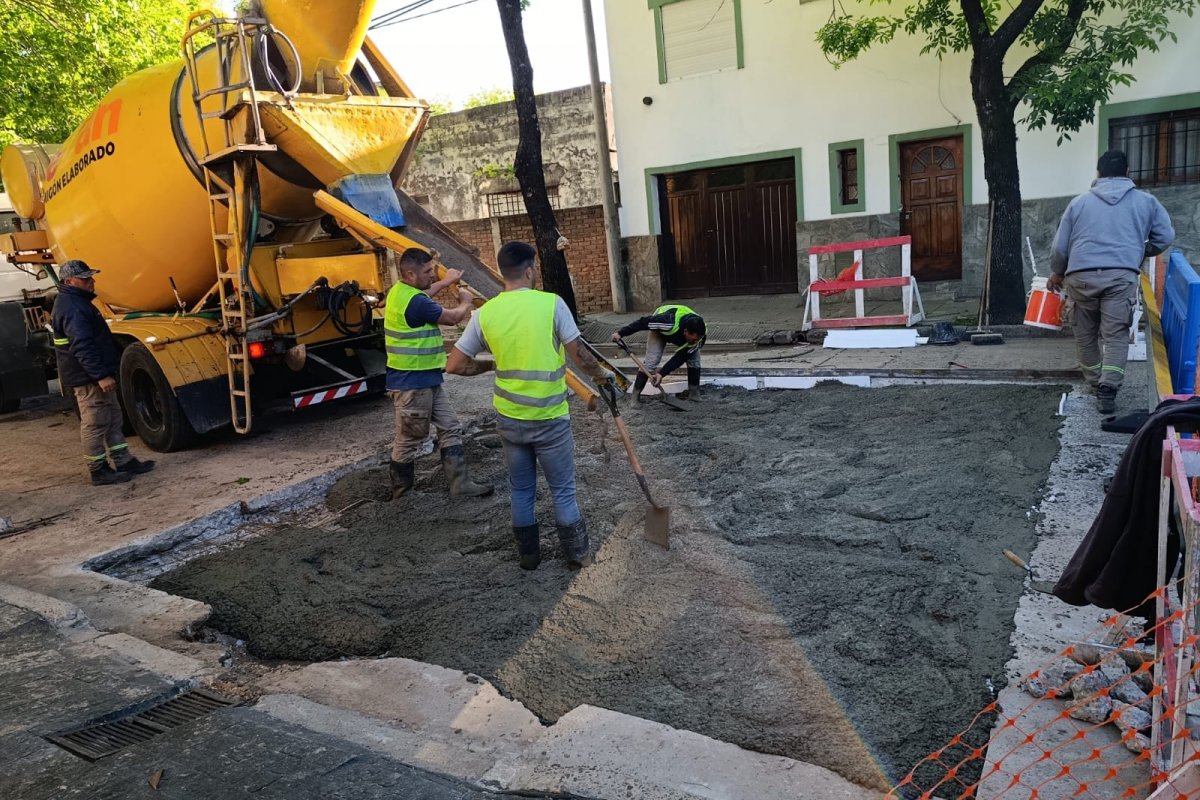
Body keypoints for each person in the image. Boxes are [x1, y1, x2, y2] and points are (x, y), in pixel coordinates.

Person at [446, 241, 611, 570]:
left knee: (521, 490)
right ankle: (577, 555)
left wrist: (489, 365)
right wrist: (603, 376)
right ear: (530, 269)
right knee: (562, 491)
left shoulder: (485, 312)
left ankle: (529, 557)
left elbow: (454, 365)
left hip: (510, 421)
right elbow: (580, 356)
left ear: (503, 272)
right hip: (549, 419)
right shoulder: (551, 304)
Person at [1049, 149, 1174, 415]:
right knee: (1116, 334)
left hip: (1081, 277)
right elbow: (1165, 237)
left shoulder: (1078, 204)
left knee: (1085, 335)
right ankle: (1109, 388)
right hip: (1120, 277)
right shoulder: (1147, 202)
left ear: (1098, 173)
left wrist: (1057, 272)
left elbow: (1060, 247)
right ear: (1128, 172)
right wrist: (1138, 251)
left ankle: (1096, 383)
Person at [384, 248, 493, 500]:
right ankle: (403, 495)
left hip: (426, 378)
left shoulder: (401, 292)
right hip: (412, 383)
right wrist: (465, 301)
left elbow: (426, 293)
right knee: (409, 439)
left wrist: (446, 282)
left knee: (450, 426)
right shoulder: (417, 302)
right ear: (411, 275)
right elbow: (452, 318)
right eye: (427, 271)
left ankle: (460, 485)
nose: (433, 275)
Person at [51, 259, 156, 485]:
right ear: (69, 282)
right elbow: (82, 346)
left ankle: (123, 460)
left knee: (113, 418)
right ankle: (98, 470)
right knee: (95, 423)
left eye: (91, 277)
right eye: (85, 278)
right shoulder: (73, 307)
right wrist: (100, 375)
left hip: (93, 375)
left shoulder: (77, 302)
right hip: (88, 379)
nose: (91, 281)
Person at [611, 304, 707, 401]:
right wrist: (620, 333)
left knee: (694, 360)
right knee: (651, 363)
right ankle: (635, 398)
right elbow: (642, 322)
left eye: (697, 339)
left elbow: (680, 358)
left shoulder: (700, 338)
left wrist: (661, 373)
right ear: (686, 331)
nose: (696, 341)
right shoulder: (666, 322)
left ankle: (694, 395)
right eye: (693, 339)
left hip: (677, 330)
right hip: (660, 329)